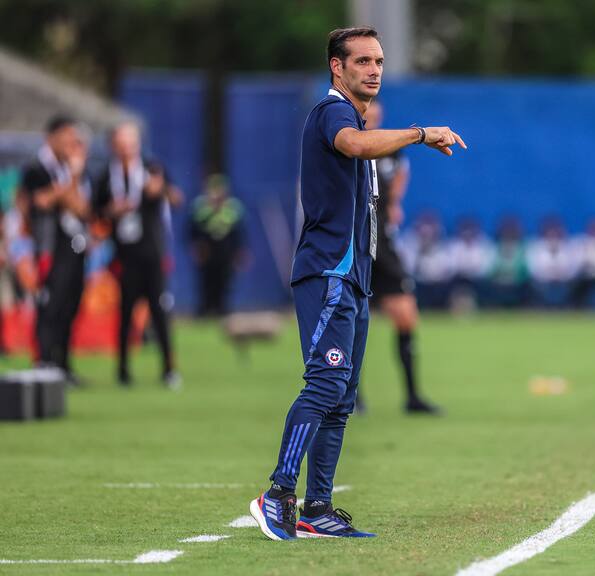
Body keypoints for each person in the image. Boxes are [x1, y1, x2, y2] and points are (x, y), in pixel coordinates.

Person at [249, 26, 466, 541]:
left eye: (379, 62)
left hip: (355, 276)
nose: (373, 70)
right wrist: (419, 133)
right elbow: (353, 145)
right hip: (328, 270)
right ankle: (279, 493)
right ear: (337, 67)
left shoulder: (358, 116)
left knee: (342, 396)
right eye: (363, 61)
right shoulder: (333, 113)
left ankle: (317, 507)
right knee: (325, 383)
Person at [364, 101, 440, 415]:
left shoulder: (391, 151)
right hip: (357, 240)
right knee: (355, 320)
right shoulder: (349, 147)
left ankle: (412, 396)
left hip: (385, 241)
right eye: (369, 117)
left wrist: (395, 201)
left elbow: (400, 173)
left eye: (378, 117)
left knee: (406, 315)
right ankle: (351, 396)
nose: (374, 122)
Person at [94, 121, 183, 388]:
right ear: (113, 146)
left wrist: (162, 190)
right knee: (125, 312)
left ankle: (169, 368)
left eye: (130, 144)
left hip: (152, 253)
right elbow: (95, 211)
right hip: (124, 255)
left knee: (159, 311)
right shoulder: (105, 176)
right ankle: (122, 370)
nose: (126, 150)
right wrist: (113, 210)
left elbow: (177, 199)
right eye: (121, 145)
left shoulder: (152, 168)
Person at [18, 115, 91, 384]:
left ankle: (63, 363)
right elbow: (42, 202)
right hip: (50, 247)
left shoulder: (73, 172)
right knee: (49, 305)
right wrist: (70, 180)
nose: (72, 145)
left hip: (75, 246)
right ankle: (44, 360)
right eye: (67, 139)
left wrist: (69, 183)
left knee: (70, 305)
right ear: (52, 138)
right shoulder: (37, 169)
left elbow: (81, 208)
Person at [189, 174, 245, 317]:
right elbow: (192, 231)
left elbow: (239, 232)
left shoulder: (233, 208)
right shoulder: (200, 208)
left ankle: (222, 310)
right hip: (207, 253)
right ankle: (205, 310)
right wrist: (196, 248)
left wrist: (239, 252)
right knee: (206, 282)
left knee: (224, 282)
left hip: (225, 253)